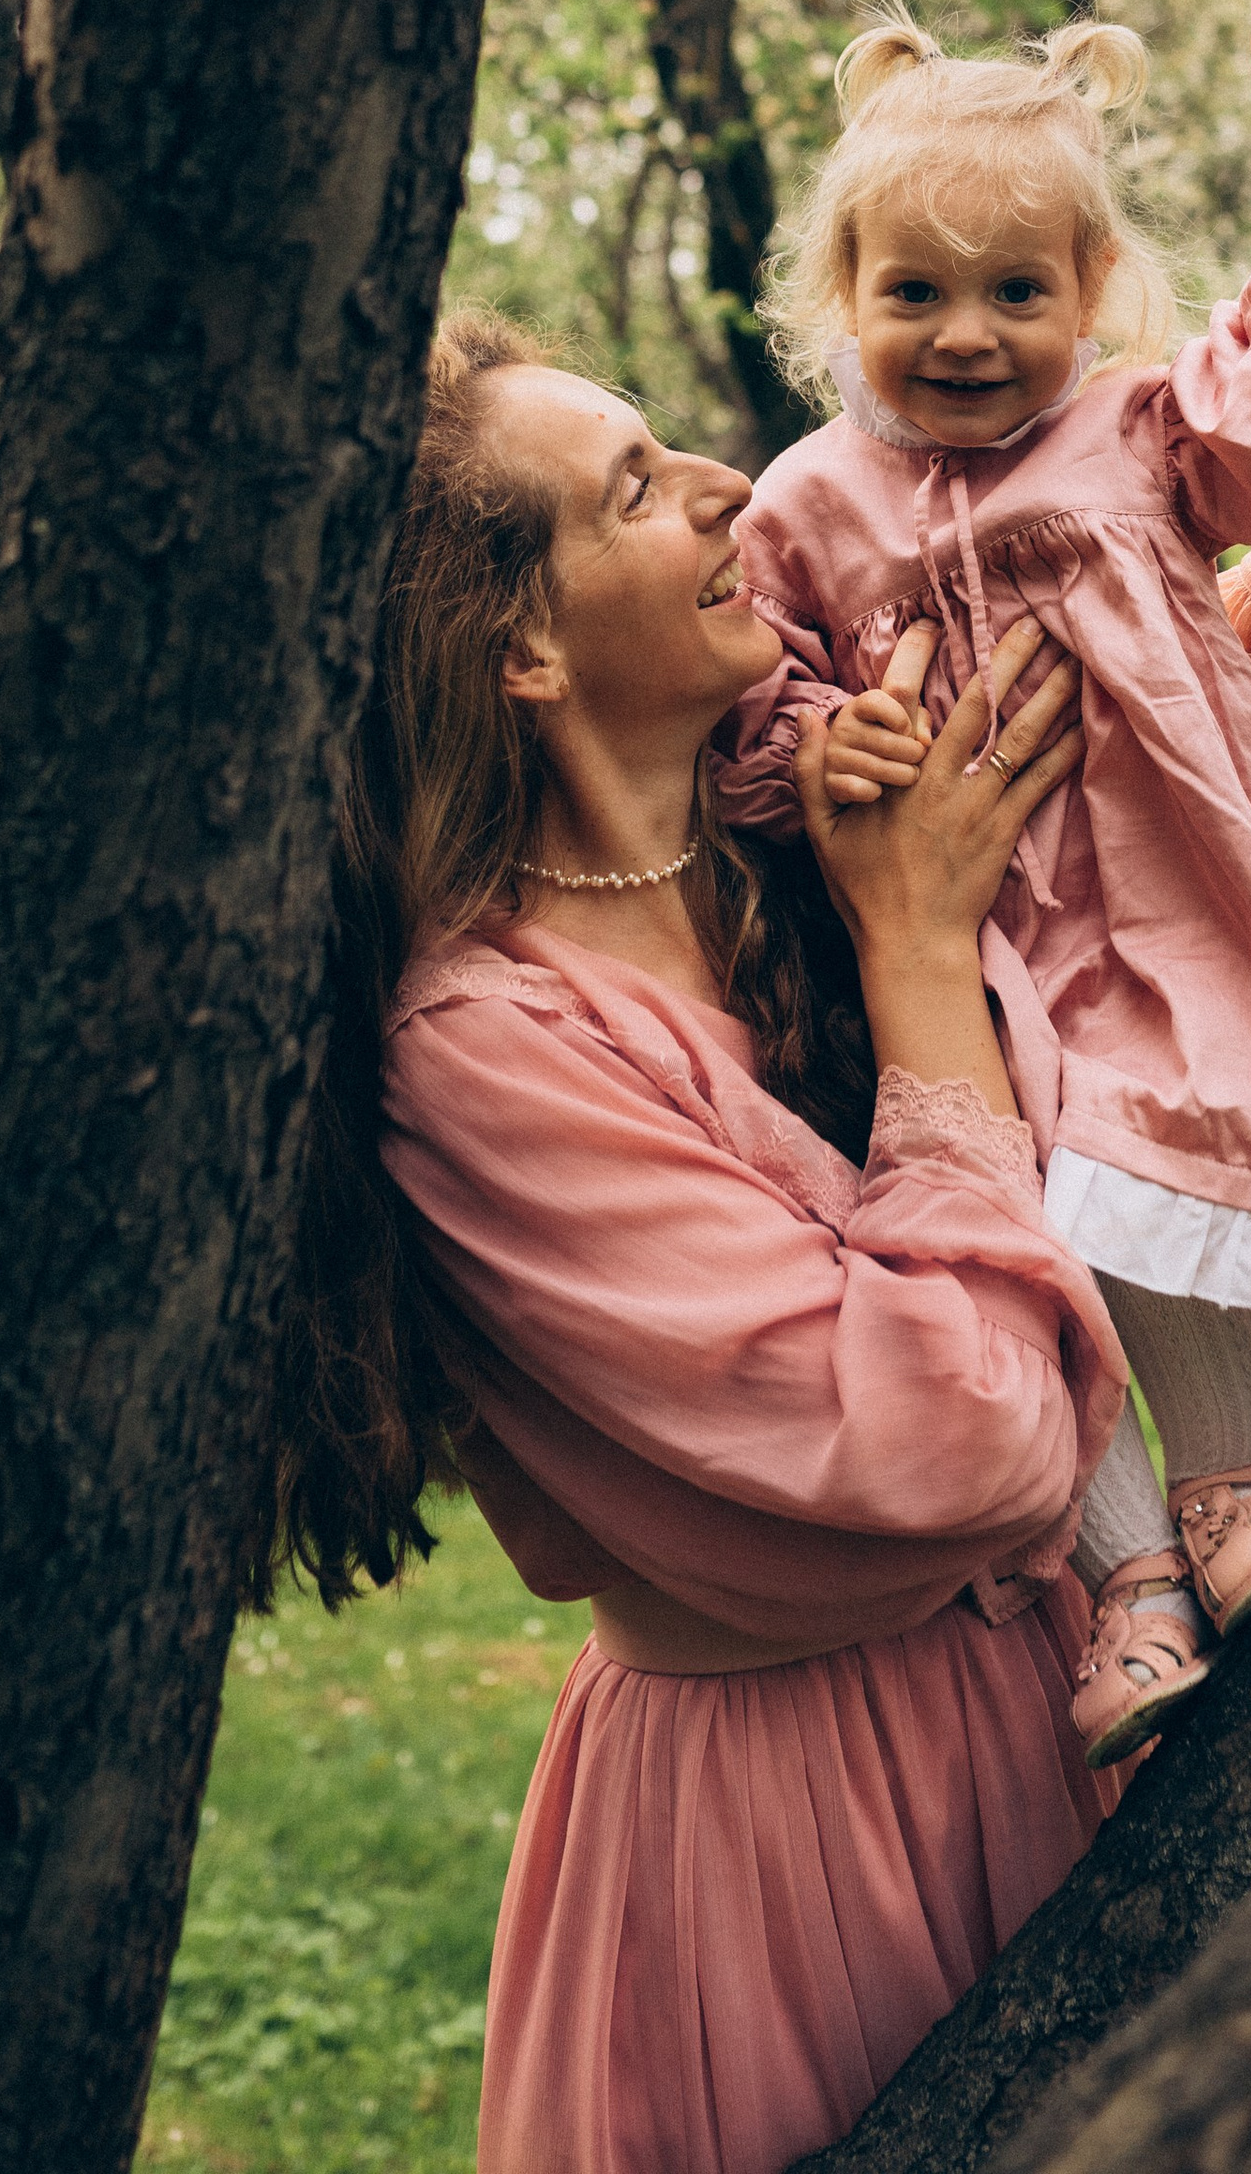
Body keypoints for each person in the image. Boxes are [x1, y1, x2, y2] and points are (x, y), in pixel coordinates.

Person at [254, 309, 1132, 2174]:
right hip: (793, 1836)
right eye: (638, 488)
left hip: (1075, 1716)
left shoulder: (819, 835)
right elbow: (959, 1443)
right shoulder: (479, 1053)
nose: (734, 484)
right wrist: (919, 959)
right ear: (523, 644)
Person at [714, 4, 1251, 1764]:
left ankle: (1234, 1495)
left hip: (1158, 905)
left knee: (1163, 1163)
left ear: (1092, 293)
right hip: (953, 948)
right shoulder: (806, 500)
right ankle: (1130, 1587)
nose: (966, 333)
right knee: (1014, 1234)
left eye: (1017, 291)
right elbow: (753, 697)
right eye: (915, 291)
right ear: (843, 297)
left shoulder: (1139, 434)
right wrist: (827, 738)